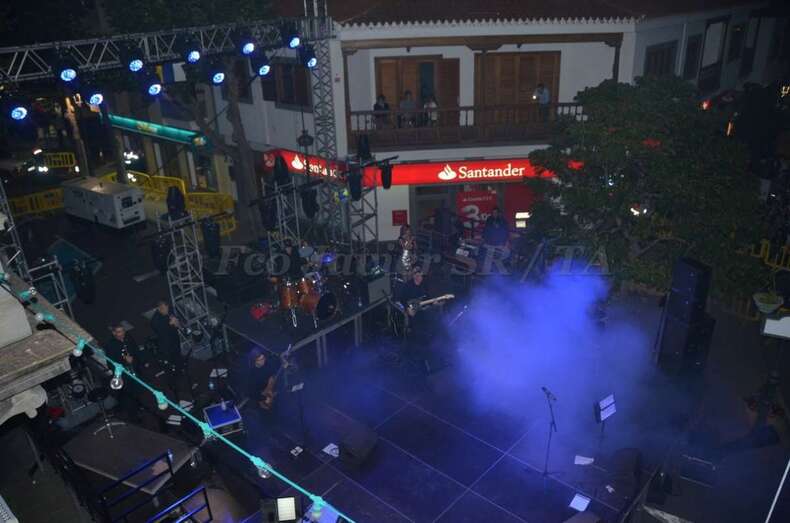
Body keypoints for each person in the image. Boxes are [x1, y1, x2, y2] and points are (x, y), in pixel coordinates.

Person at [150, 300, 184, 397]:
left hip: (174, 343)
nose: (166, 310)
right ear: (159, 309)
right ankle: (172, 385)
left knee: (178, 360)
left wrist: (177, 323)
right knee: (168, 366)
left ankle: (180, 376)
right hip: (166, 346)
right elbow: (160, 331)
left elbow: (177, 324)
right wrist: (169, 323)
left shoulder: (169, 312)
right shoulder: (155, 319)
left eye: (167, 308)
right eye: (164, 309)